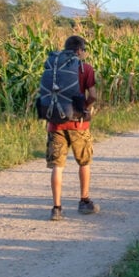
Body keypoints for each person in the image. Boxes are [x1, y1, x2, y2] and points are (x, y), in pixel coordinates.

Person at [46, 35, 100, 220]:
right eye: (84, 50)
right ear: (78, 51)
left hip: (55, 123)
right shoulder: (86, 69)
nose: (84, 53)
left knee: (57, 166)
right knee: (84, 162)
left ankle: (56, 208)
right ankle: (84, 201)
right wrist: (85, 107)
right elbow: (93, 95)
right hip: (79, 124)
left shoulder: (53, 68)